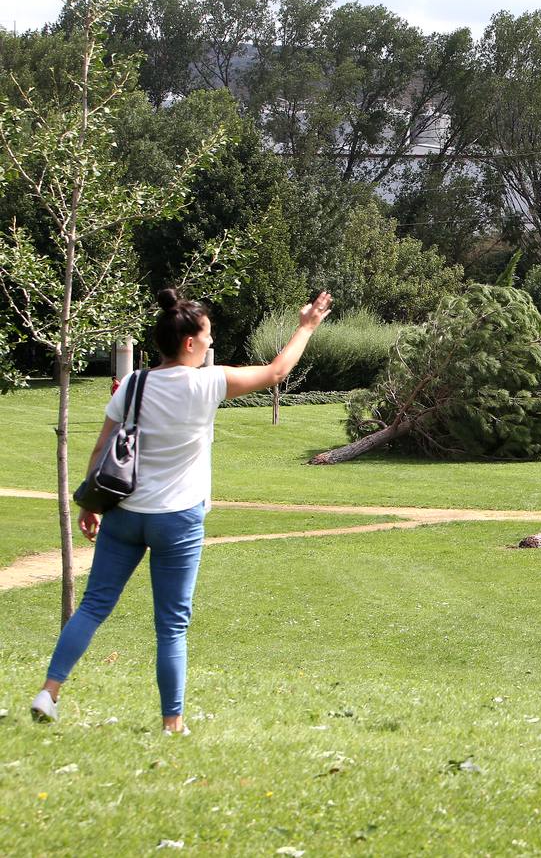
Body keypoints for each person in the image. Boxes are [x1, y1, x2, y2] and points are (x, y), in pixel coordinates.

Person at [31, 288, 334, 734]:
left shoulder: (134, 383)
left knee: (94, 606)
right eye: (208, 336)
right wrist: (307, 325)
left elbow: (102, 448)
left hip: (125, 513)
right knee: (171, 625)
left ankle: (48, 693)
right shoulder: (208, 383)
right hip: (177, 520)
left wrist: (90, 505)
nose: (212, 343)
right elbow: (276, 373)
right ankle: (172, 723)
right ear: (189, 342)